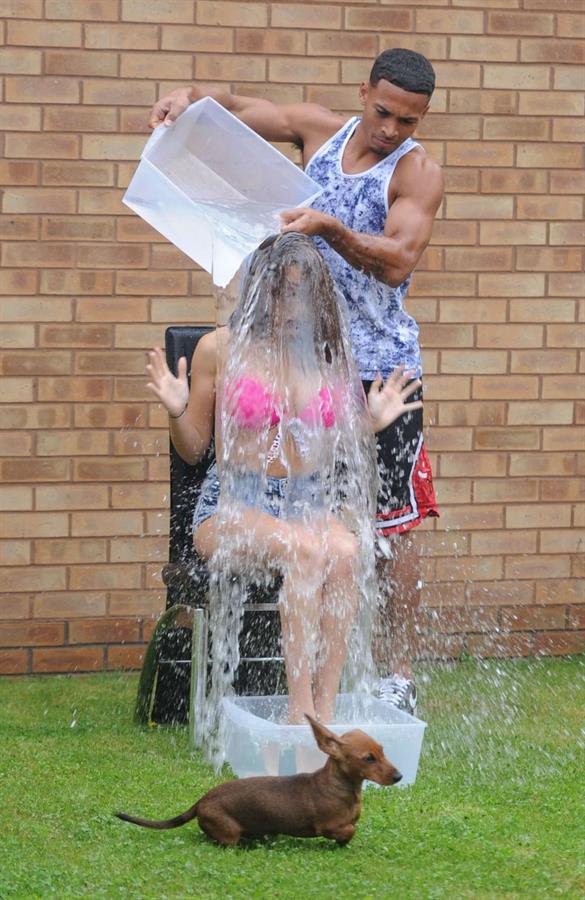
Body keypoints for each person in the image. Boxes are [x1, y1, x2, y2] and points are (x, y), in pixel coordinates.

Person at [148, 47, 444, 712]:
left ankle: (393, 675)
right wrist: (187, 94)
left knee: (385, 528)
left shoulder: (416, 174)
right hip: (292, 347)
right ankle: (305, 691)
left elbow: (397, 263)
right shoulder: (319, 130)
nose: (392, 129)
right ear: (363, 91)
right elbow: (243, 110)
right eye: (384, 112)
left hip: (371, 366)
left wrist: (329, 227)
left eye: (410, 121)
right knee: (316, 530)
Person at [145, 233, 422, 725]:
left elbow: (335, 445)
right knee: (305, 548)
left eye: (297, 292)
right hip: (235, 503)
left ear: (316, 295)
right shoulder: (220, 349)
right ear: (258, 286)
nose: (286, 305)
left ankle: (327, 712)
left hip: (305, 502)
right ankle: (300, 718)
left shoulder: (326, 354)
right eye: (277, 290)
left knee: (345, 552)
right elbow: (192, 448)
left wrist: (370, 422)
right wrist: (176, 410)